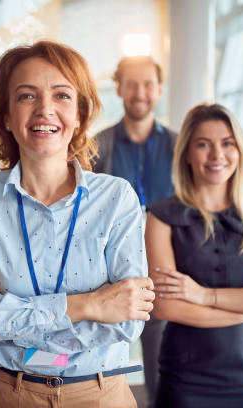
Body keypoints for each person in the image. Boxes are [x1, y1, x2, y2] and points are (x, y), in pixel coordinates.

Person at [0, 40, 155, 408]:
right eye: (27, 96)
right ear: (6, 115)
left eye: (61, 96)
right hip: (9, 395)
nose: (45, 109)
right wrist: (90, 304)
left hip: (101, 394)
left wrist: (3, 305)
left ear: (80, 114)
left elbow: (125, 322)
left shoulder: (117, 199)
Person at [145, 103, 243, 408]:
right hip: (185, 374)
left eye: (227, 143)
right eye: (204, 144)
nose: (217, 155)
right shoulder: (161, 217)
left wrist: (203, 295)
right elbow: (165, 307)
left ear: (239, 150)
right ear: (187, 154)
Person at [93, 55, 176, 406]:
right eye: (132, 84)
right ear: (119, 88)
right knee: (103, 373)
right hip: (112, 277)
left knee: (163, 369)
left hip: (164, 273)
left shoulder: (179, 145)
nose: (140, 92)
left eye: (147, 84)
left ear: (159, 89)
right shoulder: (98, 146)